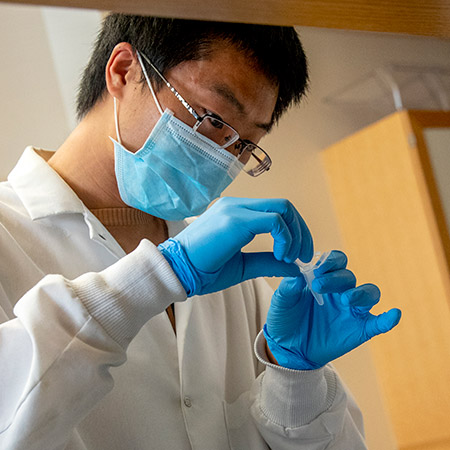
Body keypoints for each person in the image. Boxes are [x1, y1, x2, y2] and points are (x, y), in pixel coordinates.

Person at [0, 13, 401, 450]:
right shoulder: (9, 237)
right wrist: (161, 275)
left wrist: (295, 378)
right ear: (123, 71)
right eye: (212, 120)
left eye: (245, 145)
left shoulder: (231, 277)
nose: (222, 159)